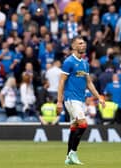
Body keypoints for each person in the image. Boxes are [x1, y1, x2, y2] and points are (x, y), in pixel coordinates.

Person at [57, 36, 105, 165]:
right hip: (70, 98)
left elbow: (89, 83)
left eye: (84, 43)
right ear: (73, 46)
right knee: (83, 124)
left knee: (75, 126)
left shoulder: (85, 63)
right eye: (80, 43)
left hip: (79, 99)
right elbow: (61, 81)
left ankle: (68, 157)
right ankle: (73, 152)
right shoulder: (68, 62)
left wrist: (99, 97)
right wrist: (59, 101)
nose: (83, 45)